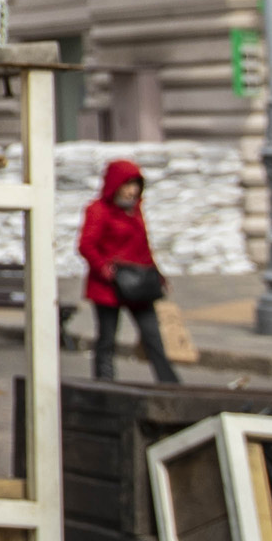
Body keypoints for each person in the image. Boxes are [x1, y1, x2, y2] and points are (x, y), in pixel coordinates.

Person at [81, 157, 179, 384]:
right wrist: (106, 270)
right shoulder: (98, 210)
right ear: (115, 185)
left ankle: (169, 384)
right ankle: (105, 385)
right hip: (109, 287)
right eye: (127, 185)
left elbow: (143, 247)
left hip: (140, 284)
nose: (132, 191)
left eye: (136, 185)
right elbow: (86, 245)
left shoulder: (135, 212)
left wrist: (158, 275)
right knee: (107, 339)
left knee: (153, 336)